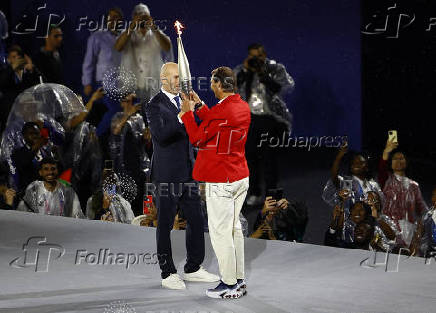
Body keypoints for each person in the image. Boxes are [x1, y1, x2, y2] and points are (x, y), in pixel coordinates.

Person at [145, 62, 218, 290]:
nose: (180, 81)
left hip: (188, 173)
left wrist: (197, 108)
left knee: (196, 220)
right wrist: (182, 115)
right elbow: (161, 135)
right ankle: (167, 273)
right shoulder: (154, 105)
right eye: (175, 77)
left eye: (181, 77)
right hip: (166, 176)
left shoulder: (185, 99)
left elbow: (197, 133)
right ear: (163, 79)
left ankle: (193, 267)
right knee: (165, 224)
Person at [179, 66, 251, 299]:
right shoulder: (241, 106)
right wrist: (200, 107)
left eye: (212, 83)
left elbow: (198, 138)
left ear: (220, 85)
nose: (210, 86)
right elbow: (217, 122)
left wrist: (187, 113)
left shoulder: (223, 112)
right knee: (234, 230)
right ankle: (238, 280)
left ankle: (229, 284)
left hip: (222, 181)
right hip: (240, 176)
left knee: (221, 234)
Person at [234, 43, 294, 206]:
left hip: (269, 119)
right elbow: (234, 87)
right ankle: (253, 192)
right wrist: (247, 71)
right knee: (250, 158)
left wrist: (262, 72)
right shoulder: (242, 70)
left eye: (259, 56)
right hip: (248, 119)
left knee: (269, 158)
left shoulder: (275, 69)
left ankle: (271, 195)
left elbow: (278, 88)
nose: (256, 59)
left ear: (264, 55)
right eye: (253, 56)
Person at [82, 8, 124, 158]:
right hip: (103, 83)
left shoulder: (125, 38)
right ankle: (96, 136)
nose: (114, 21)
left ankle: (107, 146)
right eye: (111, 18)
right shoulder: (97, 37)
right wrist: (87, 82)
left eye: (117, 18)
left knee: (119, 114)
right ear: (106, 20)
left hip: (122, 84)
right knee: (114, 111)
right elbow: (89, 61)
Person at [322, 142, 383, 246]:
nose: (356, 164)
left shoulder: (373, 186)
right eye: (354, 162)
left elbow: (380, 207)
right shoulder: (347, 182)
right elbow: (334, 178)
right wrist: (339, 156)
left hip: (367, 229)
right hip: (347, 229)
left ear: (367, 167)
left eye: (361, 162)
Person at [115, 3, 172, 102]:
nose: (142, 20)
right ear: (134, 17)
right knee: (131, 116)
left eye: (144, 16)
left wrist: (153, 27)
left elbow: (167, 47)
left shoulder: (156, 33)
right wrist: (132, 25)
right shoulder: (127, 33)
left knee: (152, 115)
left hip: (152, 85)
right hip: (130, 86)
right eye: (139, 16)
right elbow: (118, 47)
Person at [378, 137, 428, 249]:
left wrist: (422, 226)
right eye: (395, 159)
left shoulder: (414, 186)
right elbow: (381, 169)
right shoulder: (386, 180)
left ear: (406, 162)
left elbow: (423, 210)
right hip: (388, 230)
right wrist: (386, 152)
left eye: (402, 158)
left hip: (408, 232)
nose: (399, 161)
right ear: (390, 163)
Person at [110, 93, 151, 215]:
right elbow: (116, 131)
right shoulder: (117, 117)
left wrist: (146, 136)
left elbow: (143, 141)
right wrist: (128, 115)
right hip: (121, 166)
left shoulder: (138, 118)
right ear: (122, 103)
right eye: (126, 101)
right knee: (124, 197)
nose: (129, 104)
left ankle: (143, 218)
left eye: (131, 102)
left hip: (138, 166)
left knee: (143, 196)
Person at [17, 157, 84, 218]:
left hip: (61, 229)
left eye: (53, 169)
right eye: (46, 169)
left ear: (57, 171)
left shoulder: (67, 191)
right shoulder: (34, 188)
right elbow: (22, 212)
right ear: (40, 172)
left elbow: (77, 214)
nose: (50, 172)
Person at [0, 45, 42, 131]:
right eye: (13, 57)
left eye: (18, 57)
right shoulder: (5, 72)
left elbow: (41, 85)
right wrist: (12, 68)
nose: (16, 59)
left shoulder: (28, 72)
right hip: (9, 114)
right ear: (8, 59)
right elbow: (1, 82)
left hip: (27, 114)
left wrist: (32, 69)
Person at [11, 122, 57, 193]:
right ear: (24, 135)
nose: (35, 136)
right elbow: (24, 164)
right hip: (30, 194)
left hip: (47, 194)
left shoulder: (46, 152)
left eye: (37, 133)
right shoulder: (17, 153)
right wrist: (36, 147)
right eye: (31, 133)